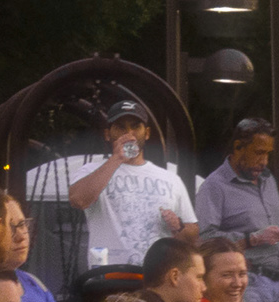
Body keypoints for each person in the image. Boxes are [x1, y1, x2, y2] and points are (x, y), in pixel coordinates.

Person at [21, 96, 197, 283]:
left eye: (135, 126)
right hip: (109, 276)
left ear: (146, 133)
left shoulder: (170, 178)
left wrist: (177, 226)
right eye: (121, 127)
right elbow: (79, 200)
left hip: (157, 278)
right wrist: (117, 159)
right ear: (107, 134)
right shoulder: (91, 170)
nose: (129, 133)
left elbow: (193, 234)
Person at [198, 118, 279, 298]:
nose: (264, 161)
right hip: (247, 286)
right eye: (258, 153)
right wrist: (253, 239)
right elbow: (204, 241)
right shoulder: (214, 186)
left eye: (268, 154)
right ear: (238, 147)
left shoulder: (269, 180)